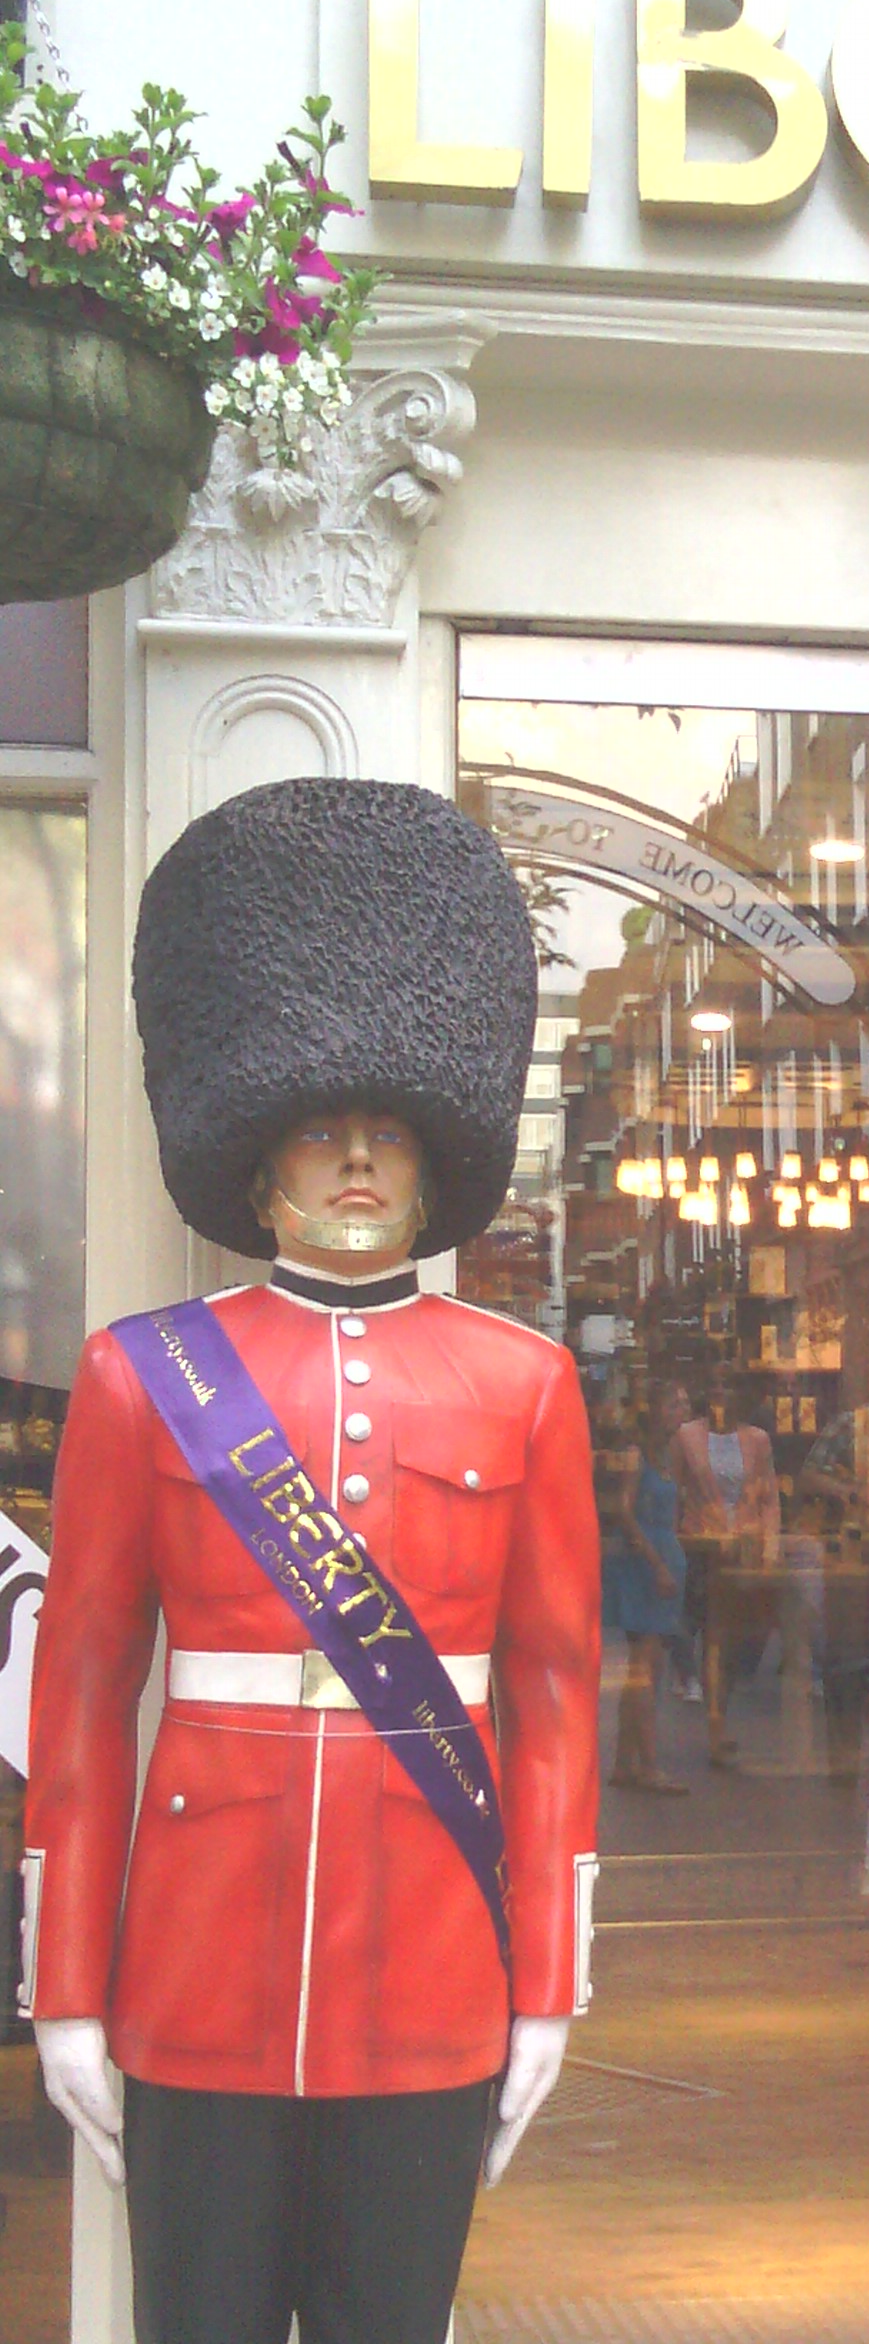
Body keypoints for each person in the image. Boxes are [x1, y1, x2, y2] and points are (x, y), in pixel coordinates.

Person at [22, 778, 601, 2344]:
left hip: (434, 1951)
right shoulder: (144, 1376)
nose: (356, 1160)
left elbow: (554, 1698)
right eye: (322, 1131)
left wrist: (549, 1977)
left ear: (435, 1165)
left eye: (388, 1134)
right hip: (196, 1956)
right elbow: (81, 1699)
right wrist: (64, 1983)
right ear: (259, 1158)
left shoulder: (524, 1385)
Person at [671, 1380, 779, 1768]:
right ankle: (715, 1724)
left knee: (735, 1638)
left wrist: (770, 1546)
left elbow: (769, 1497)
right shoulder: (687, 1436)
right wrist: (674, 1539)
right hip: (703, 1545)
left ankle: (722, 1711)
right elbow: (675, 1489)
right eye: (715, 1391)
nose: (722, 1399)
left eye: (729, 1392)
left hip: (744, 1544)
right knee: (712, 1634)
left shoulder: (757, 1440)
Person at [603, 1383, 690, 1794]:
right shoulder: (638, 1455)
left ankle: (625, 1762)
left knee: (644, 1668)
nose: (681, 1410)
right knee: (645, 1668)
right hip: (646, 1566)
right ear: (654, 1410)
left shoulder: (667, 1456)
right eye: (673, 1403)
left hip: (661, 1560)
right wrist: (655, 1563)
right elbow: (623, 1510)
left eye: (684, 1404)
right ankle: (649, 1764)